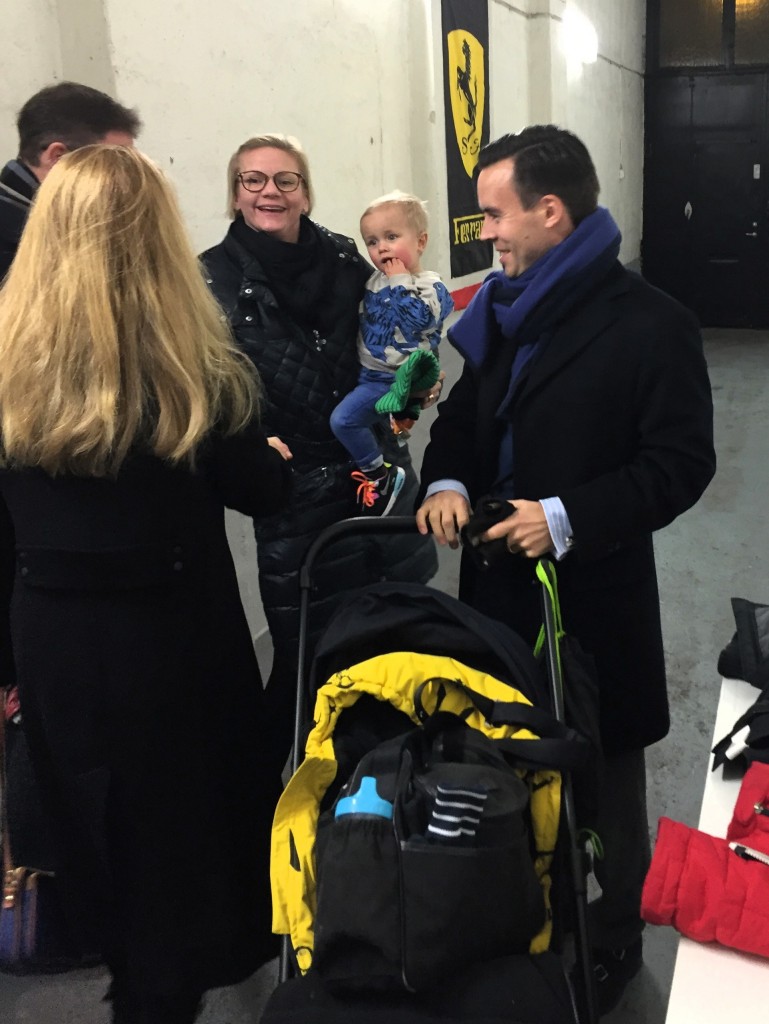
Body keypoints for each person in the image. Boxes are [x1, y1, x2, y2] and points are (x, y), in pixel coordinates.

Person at [416, 125, 716, 1016]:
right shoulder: (502, 311)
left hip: (594, 597)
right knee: (503, 754)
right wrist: (446, 478)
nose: (485, 233)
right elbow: (462, 419)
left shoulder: (651, 323)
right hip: (494, 591)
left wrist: (562, 518)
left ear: (550, 211)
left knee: (604, 776)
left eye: (494, 214)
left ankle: (612, 934)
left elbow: (678, 465)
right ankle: (521, 911)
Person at [0, 145, 291, 1023]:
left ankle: (131, 979)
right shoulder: (196, 367)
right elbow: (262, 490)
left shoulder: (9, 366)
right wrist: (269, 453)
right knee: (186, 845)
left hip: (56, 647)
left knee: (94, 836)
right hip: (176, 645)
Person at [201, 135, 438, 771]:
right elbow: (204, 387)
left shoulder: (343, 256)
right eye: (253, 180)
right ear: (235, 195)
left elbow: (389, 338)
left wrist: (415, 381)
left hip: (378, 476)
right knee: (307, 660)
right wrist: (248, 442)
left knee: (400, 634)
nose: (270, 192)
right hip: (298, 498)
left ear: (305, 192)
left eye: (286, 179)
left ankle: (396, 786)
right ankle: (287, 803)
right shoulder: (209, 279)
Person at [329, 190, 453, 516]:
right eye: (372, 241)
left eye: (391, 237)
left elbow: (418, 321)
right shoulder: (374, 281)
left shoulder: (431, 287)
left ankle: (380, 476)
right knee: (374, 420)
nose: (381, 247)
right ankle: (398, 425)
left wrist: (400, 281)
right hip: (369, 372)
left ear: (421, 242)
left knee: (343, 421)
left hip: (392, 377)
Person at [0, 81, 141, 280]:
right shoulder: (23, 247)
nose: (125, 181)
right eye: (114, 163)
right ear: (58, 157)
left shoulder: (44, 225)